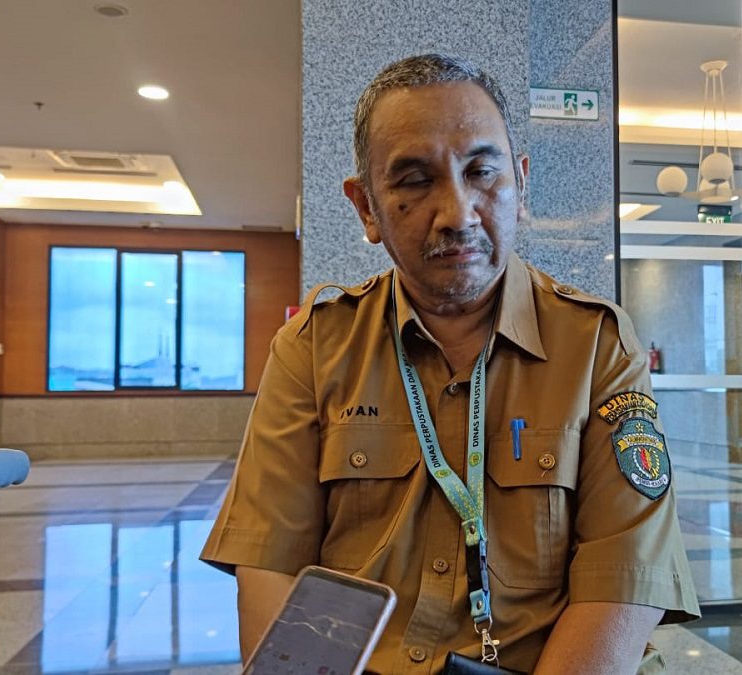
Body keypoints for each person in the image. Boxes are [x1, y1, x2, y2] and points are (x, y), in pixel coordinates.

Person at [200, 53, 700, 674]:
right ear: (366, 208)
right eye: (414, 181)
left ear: (520, 183)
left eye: (481, 172)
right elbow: (269, 567)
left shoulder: (596, 345)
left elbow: (625, 581)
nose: (458, 213)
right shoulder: (314, 347)